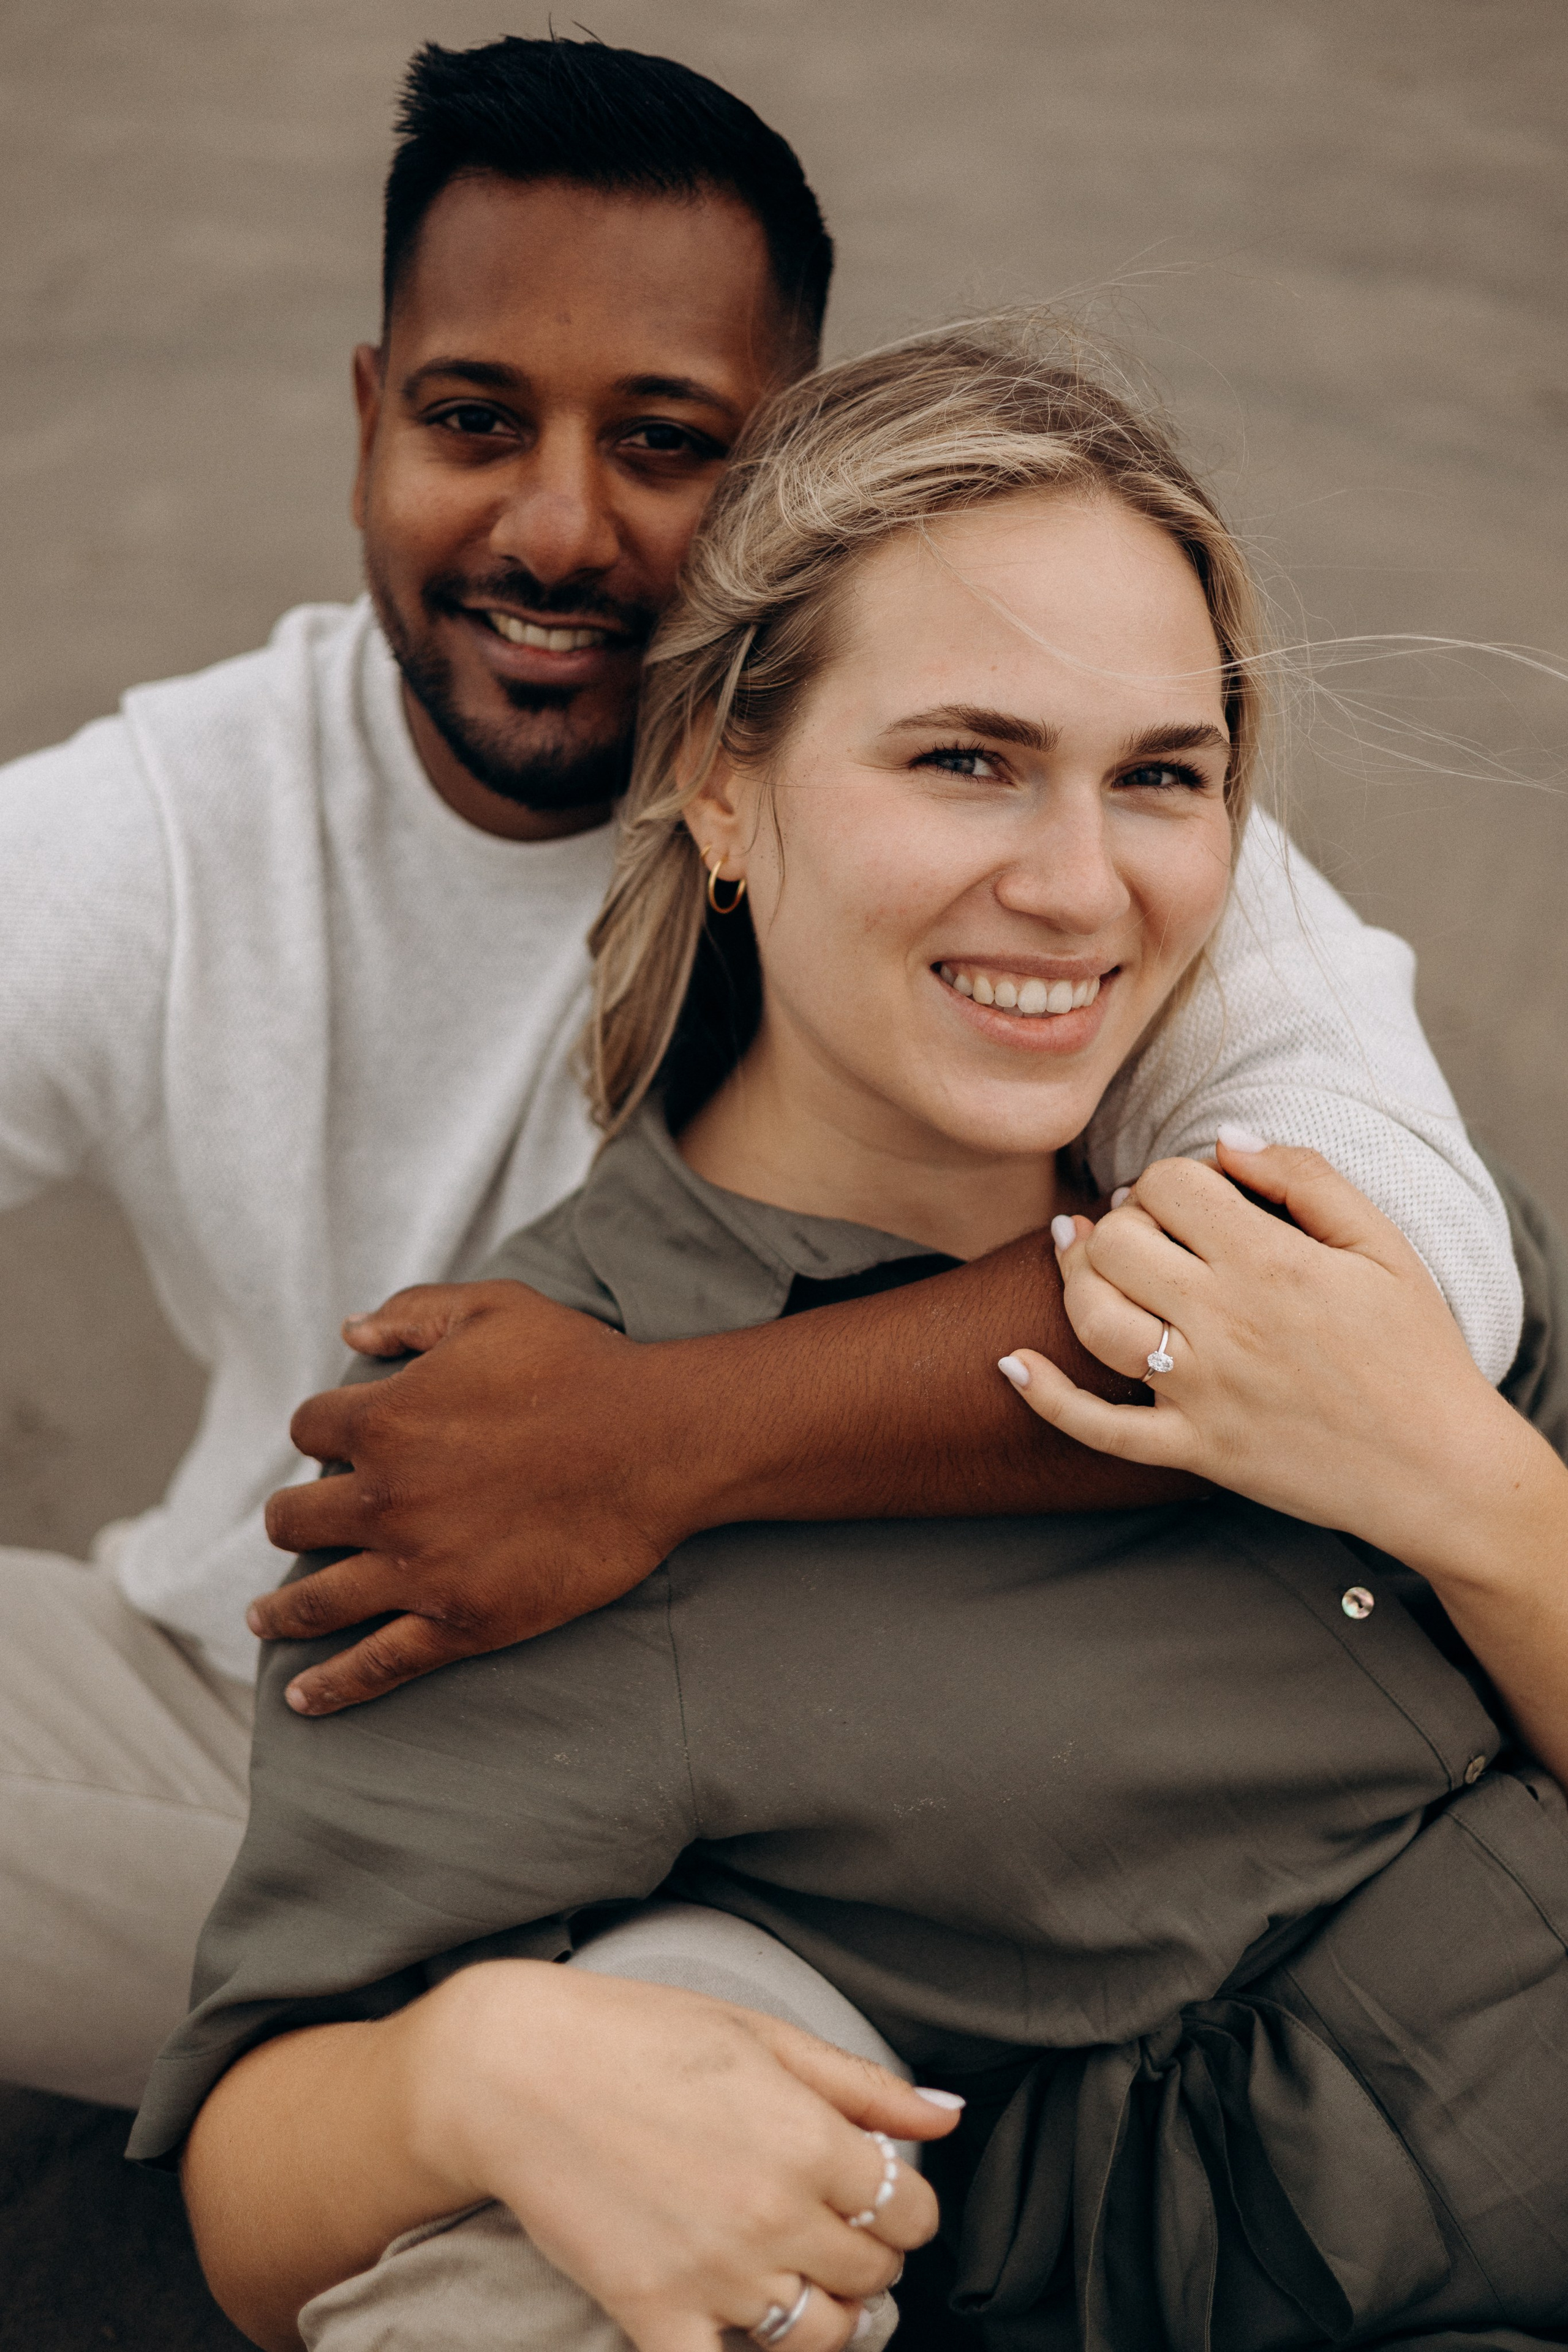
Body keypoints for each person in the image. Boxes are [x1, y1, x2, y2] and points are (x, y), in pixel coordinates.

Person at [0, 35, 1526, 2114]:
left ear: (795, 461)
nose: (557, 526)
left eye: (665, 439)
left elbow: (1401, 1272)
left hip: (830, 1811)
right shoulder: (172, 835)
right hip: (262, 1682)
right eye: (471, 420)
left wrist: (654, 1441)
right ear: (368, 422)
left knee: (687, 1996)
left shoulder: (1041, 793)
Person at [134, 322, 1568, 2352]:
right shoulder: (512, 1439)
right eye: (965, 758)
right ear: (723, 786)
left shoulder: (1328, 1208)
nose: (1079, 889)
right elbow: (255, 2182)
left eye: (1160, 777)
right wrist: (472, 2065)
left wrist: (1478, 1503)